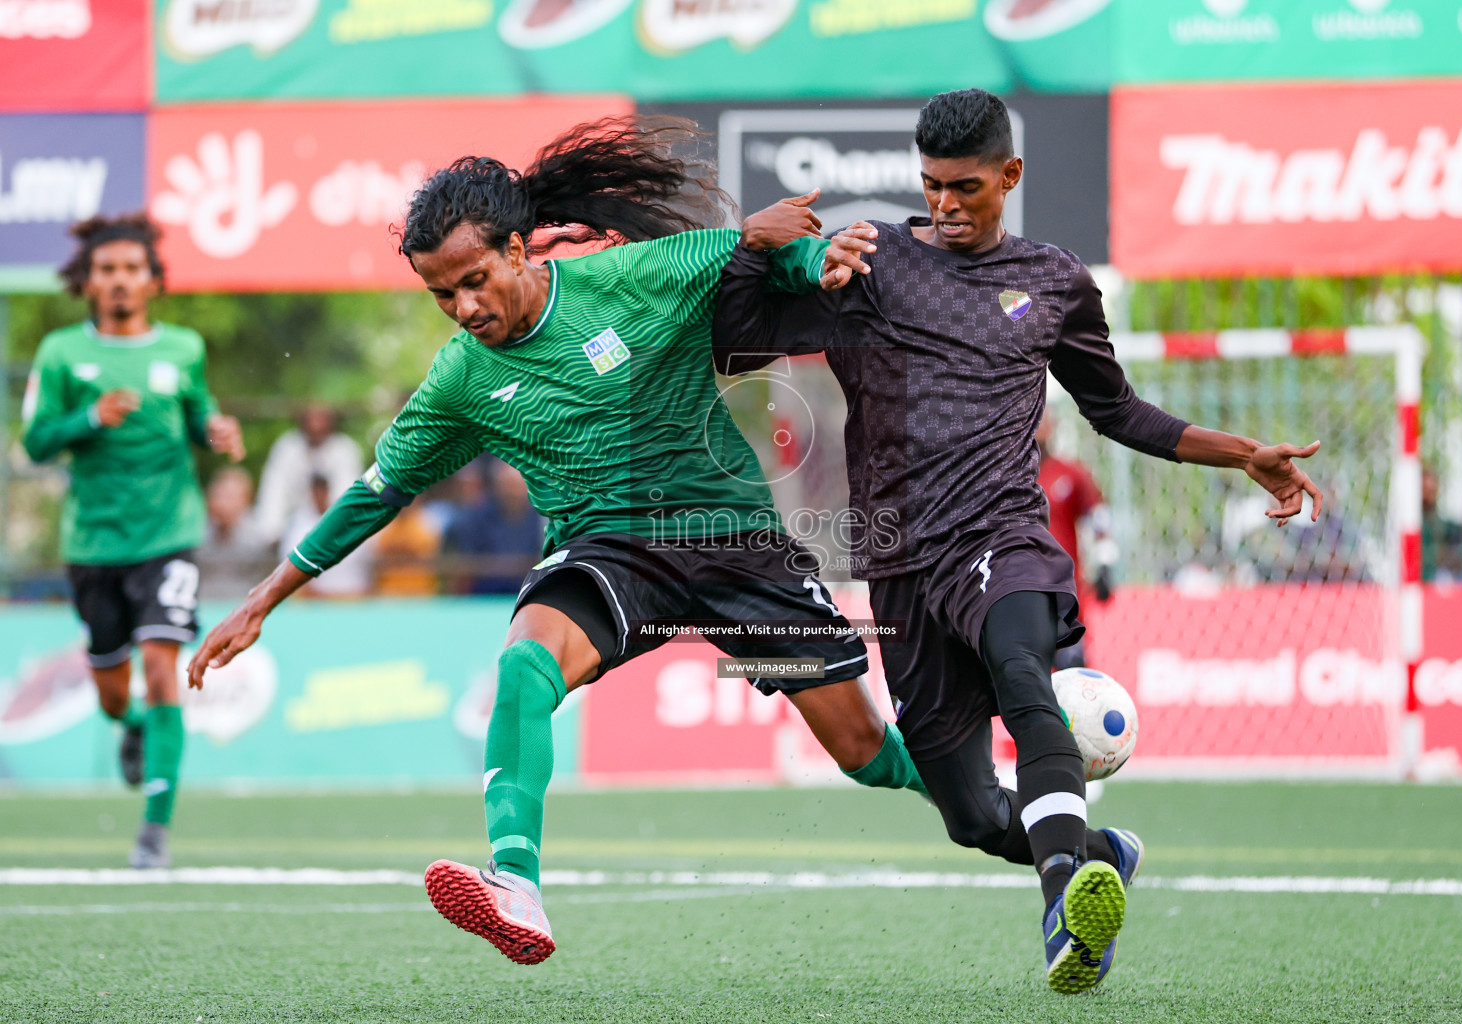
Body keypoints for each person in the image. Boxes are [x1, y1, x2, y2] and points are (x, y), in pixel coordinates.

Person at [188, 118, 928, 967]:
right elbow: (375, 493)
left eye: (473, 281)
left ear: (517, 250)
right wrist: (262, 599)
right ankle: (516, 882)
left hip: (734, 546)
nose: (464, 308)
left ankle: (1029, 815)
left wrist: (816, 260)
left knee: (865, 752)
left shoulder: (628, 277)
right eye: (441, 295)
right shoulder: (461, 378)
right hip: (607, 555)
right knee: (524, 664)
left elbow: (748, 260)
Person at [711, 88, 1325, 994]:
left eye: (964, 187)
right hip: (900, 563)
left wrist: (1241, 454)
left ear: (1011, 176)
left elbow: (1116, 410)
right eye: (930, 186)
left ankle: (1062, 905)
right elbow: (733, 345)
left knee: (1024, 672)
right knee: (965, 811)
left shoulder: (1055, 281)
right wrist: (762, 255)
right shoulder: (870, 263)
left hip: (1000, 533)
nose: (945, 205)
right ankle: (1100, 851)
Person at [21, 212, 245, 869]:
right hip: (94, 543)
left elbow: (199, 411)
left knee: (160, 666)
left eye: (131, 269)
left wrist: (217, 430)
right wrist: (90, 418)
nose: (120, 280)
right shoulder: (63, 353)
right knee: (115, 692)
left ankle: (154, 830)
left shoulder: (183, 348)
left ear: (152, 280)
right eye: (107, 270)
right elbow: (35, 440)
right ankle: (134, 729)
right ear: (88, 282)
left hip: (168, 534)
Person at [1035, 407, 1115, 669]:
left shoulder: (1071, 473)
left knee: (1073, 678)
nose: (1039, 427)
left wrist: (1105, 561)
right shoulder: (1007, 478)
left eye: (1044, 420)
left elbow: (1099, 515)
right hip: (1020, 592)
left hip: (1065, 600)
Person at [251, 402, 363, 546]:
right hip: (295, 526)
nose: (316, 427)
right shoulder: (287, 448)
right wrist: (271, 531)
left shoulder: (345, 450)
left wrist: (336, 524)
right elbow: (274, 491)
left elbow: (347, 492)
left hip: (336, 524)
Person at [442, 458, 546, 594]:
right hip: (485, 594)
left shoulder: (541, 519)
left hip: (531, 590)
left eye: (516, 486)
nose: (512, 492)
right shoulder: (477, 518)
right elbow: (467, 560)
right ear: (497, 485)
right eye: (508, 485)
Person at [198, 466, 274, 600]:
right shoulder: (196, 537)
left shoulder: (261, 540)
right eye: (218, 496)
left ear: (246, 500)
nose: (221, 502)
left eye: (229, 497)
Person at [1419, 468, 1462, 583]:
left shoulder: (1442, 524)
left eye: (1432, 490)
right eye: (1425, 489)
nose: (1429, 494)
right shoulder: (1412, 522)